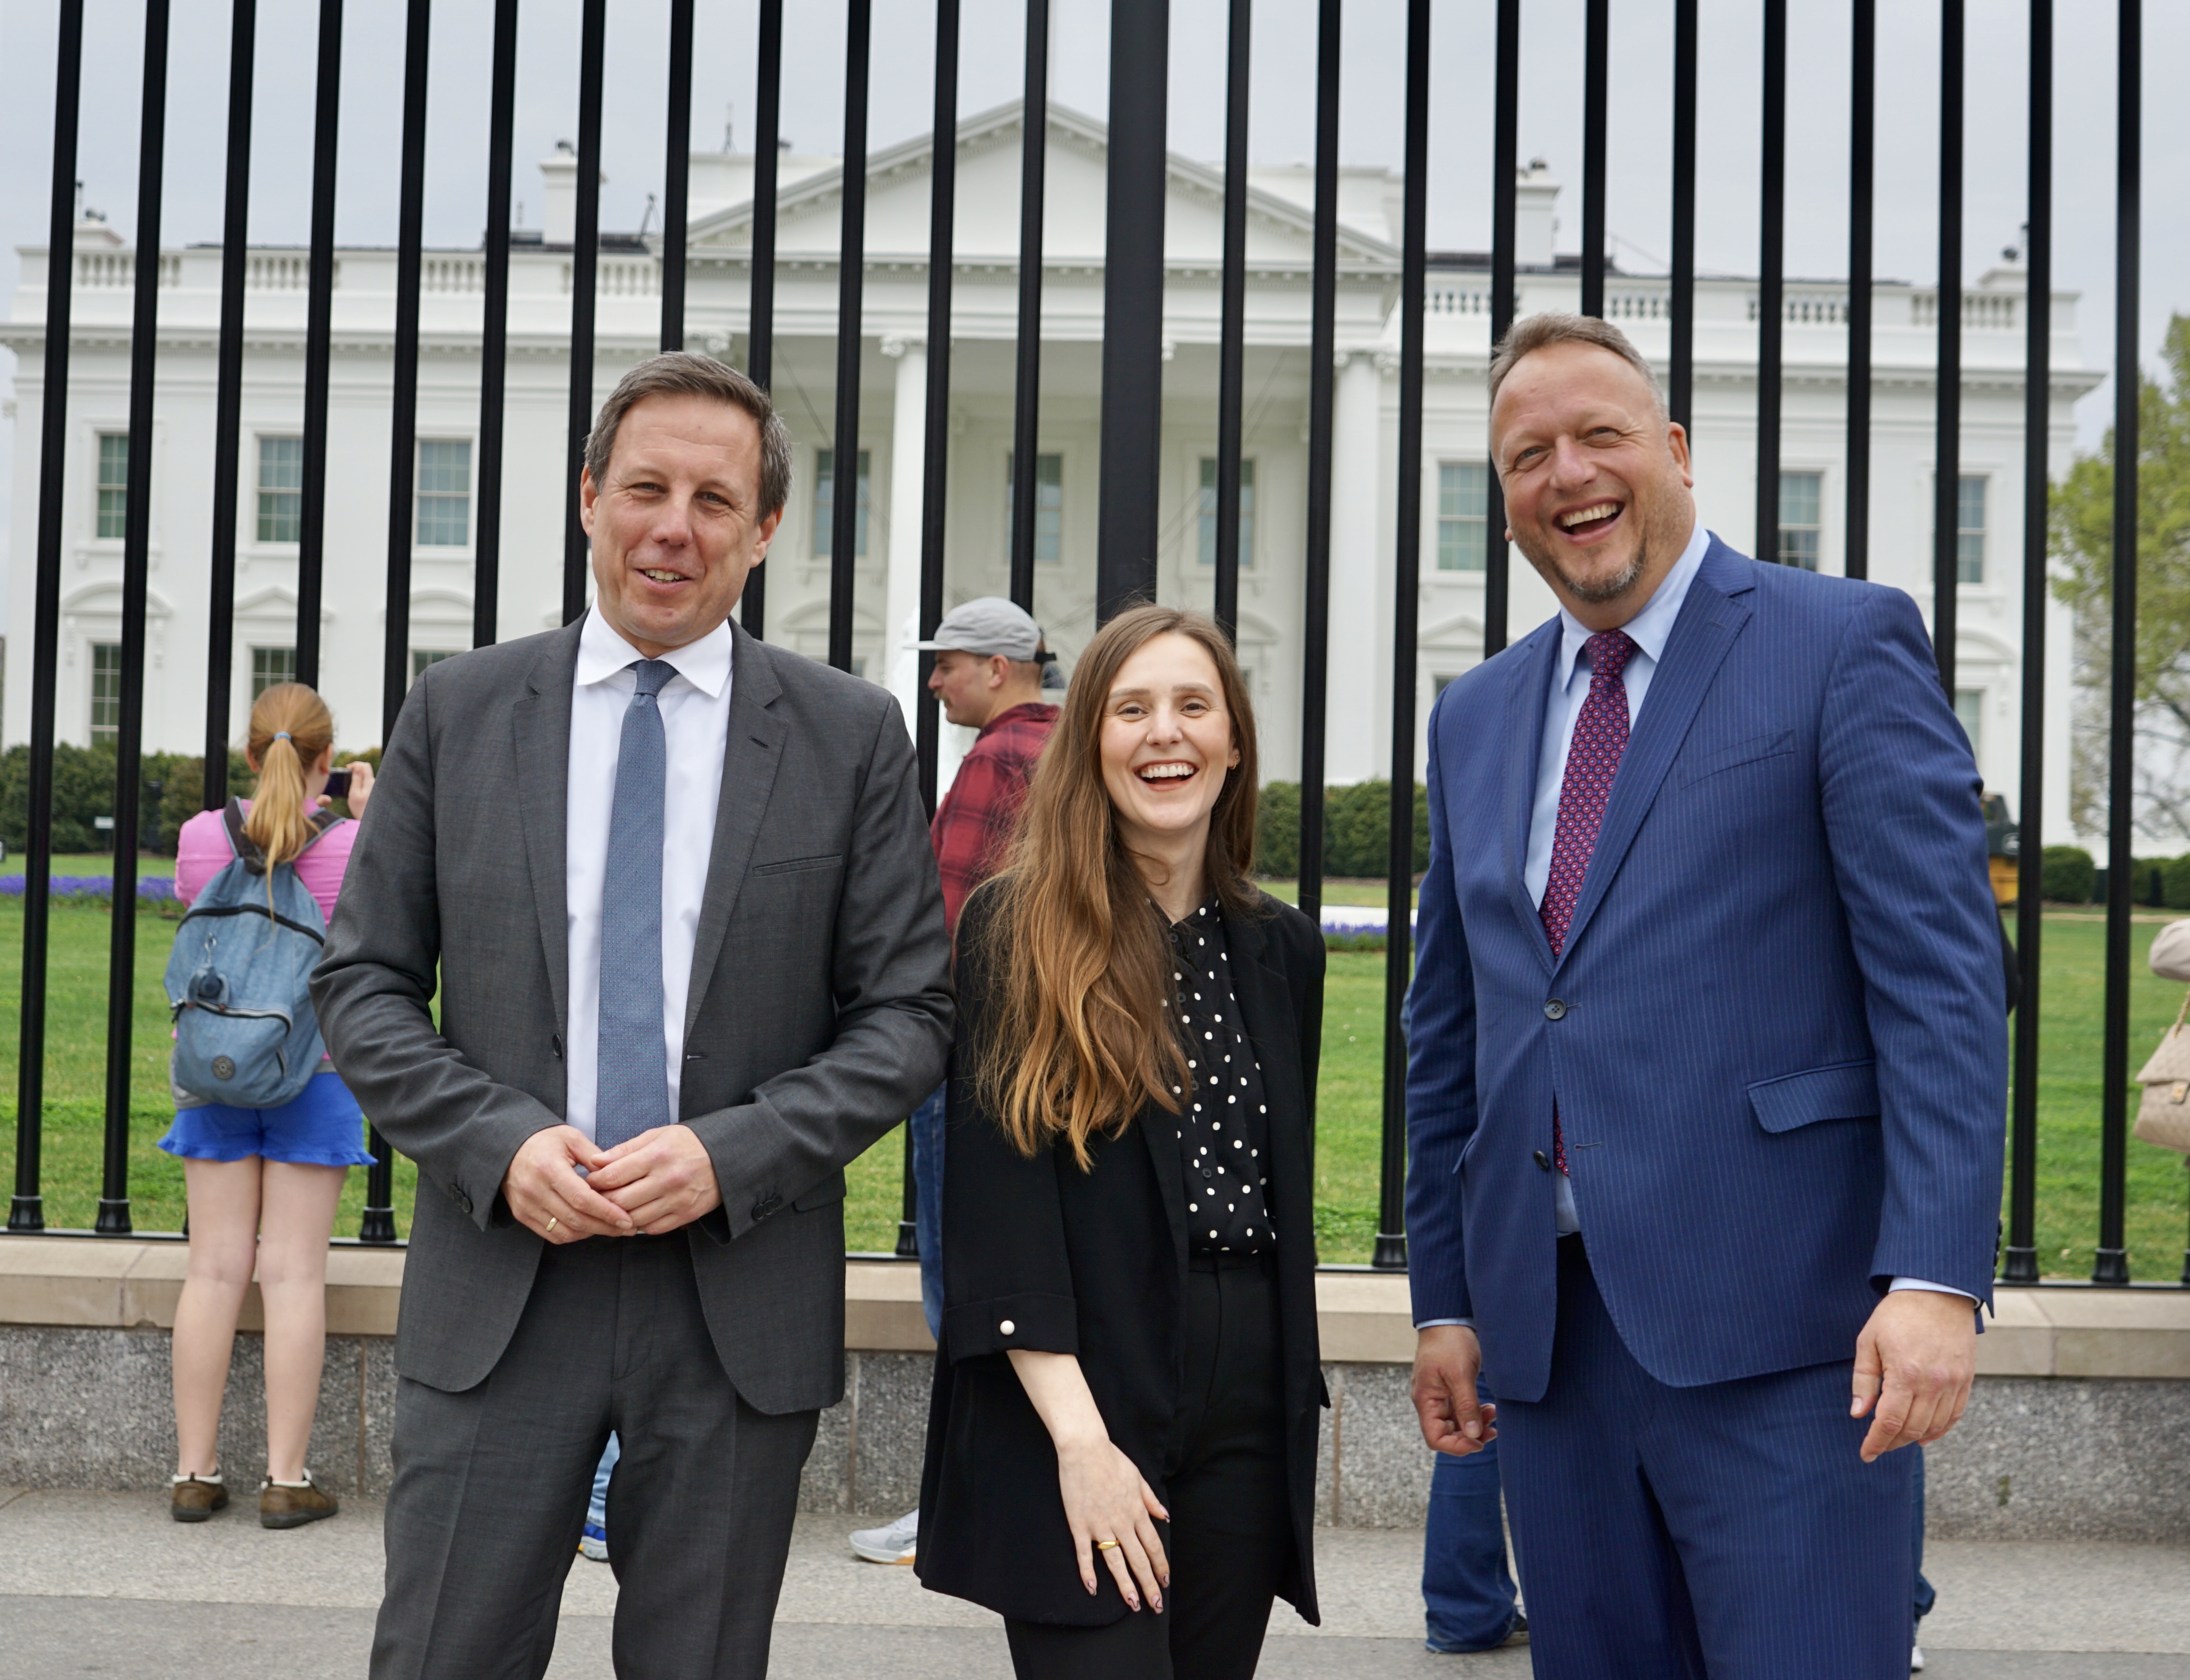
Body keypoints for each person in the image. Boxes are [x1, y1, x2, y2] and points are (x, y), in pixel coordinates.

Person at [313, 350, 954, 1680]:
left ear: (766, 527)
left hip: (735, 1300)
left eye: (716, 500)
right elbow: (360, 985)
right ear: (590, 497)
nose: (677, 526)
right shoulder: (463, 710)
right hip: (504, 1282)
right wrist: (498, 1142)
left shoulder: (847, 735)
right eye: (647, 488)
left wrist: (737, 1151)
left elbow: (908, 1014)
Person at [1405, 314, 2006, 1678]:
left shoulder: (1838, 643)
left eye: (1600, 437)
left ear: (1673, 450)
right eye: (1527, 456)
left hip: (1793, 1342)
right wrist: (1446, 1300)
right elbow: (1455, 1035)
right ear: (1504, 503)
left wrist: (1933, 1278)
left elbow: (1943, 987)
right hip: (1550, 1353)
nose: (1568, 475)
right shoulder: (1478, 714)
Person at [916, 605, 1326, 1680]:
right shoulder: (1017, 928)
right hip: (1079, 1391)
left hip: (1242, 1408)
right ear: (1089, 740)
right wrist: (1082, 1446)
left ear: (1233, 741)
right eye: (1131, 709)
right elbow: (999, 1215)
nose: (1165, 735)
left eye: (1194, 707)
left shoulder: (1281, 947)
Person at [849, 596, 1059, 1568]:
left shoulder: (999, 755)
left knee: (960, 1283)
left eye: (948, 664)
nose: (934, 681)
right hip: (1044, 1051)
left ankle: (958, 1504)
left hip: (969, 1048)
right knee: (1031, 1280)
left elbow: (950, 915)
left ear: (1000, 668)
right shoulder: (1071, 745)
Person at [163, 682, 376, 1528]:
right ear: (327, 762)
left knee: (213, 1269)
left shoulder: (197, 839)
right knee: (292, 1274)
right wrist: (368, 811)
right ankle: (286, 1481)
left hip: (215, 1071)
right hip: (313, 1074)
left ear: (251, 756)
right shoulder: (359, 844)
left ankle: (194, 1472)